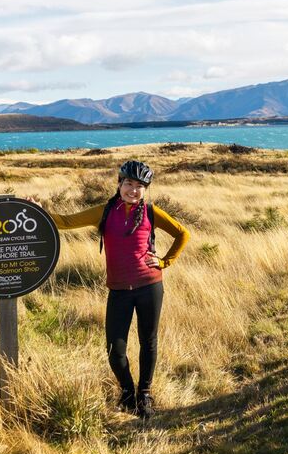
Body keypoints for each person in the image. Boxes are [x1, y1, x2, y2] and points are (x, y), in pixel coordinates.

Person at [48, 159, 189, 420]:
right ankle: (127, 392)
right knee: (115, 349)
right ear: (119, 183)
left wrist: (164, 261)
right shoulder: (104, 211)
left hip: (150, 286)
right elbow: (66, 221)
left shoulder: (151, 212)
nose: (133, 190)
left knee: (148, 342)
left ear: (145, 189)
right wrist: (35, 211)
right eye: (128, 183)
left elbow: (183, 234)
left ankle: (144, 394)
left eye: (139, 186)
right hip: (119, 290)